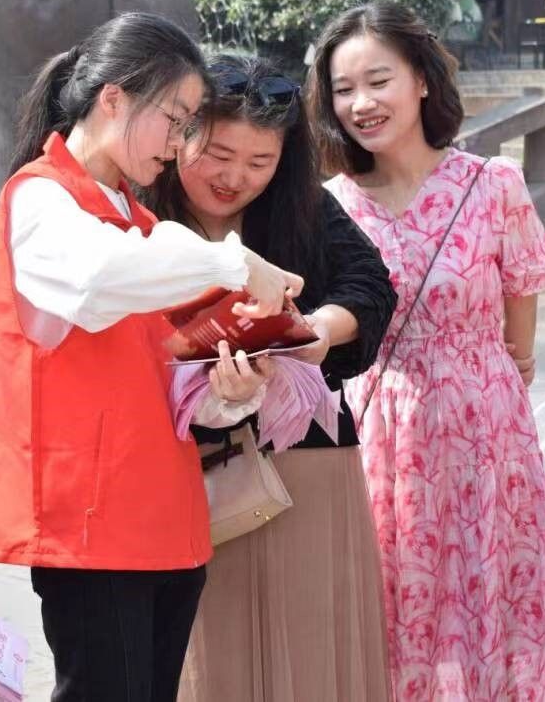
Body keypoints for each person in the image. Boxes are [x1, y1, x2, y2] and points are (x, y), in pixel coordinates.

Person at [0, 13, 304, 702]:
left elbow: (173, 377)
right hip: (93, 523)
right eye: (175, 119)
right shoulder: (39, 196)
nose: (179, 144)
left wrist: (231, 388)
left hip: (163, 516)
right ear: (114, 98)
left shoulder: (144, 222)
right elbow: (97, 280)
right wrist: (233, 262)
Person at [309, 1, 545, 702]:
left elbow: (520, 311)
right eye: (344, 89)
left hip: (489, 442)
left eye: (379, 81)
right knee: (395, 609)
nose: (362, 104)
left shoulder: (493, 186)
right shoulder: (329, 205)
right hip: (379, 441)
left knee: (496, 603)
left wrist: (495, 375)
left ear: (422, 80)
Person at [143, 53, 397, 702]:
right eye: (218, 154)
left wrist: (320, 330)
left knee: (309, 648)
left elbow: (370, 285)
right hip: (180, 468)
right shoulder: (138, 210)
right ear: (179, 134)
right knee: (206, 651)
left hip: (306, 461)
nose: (236, 178)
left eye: (261, 162)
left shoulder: (302, 205)